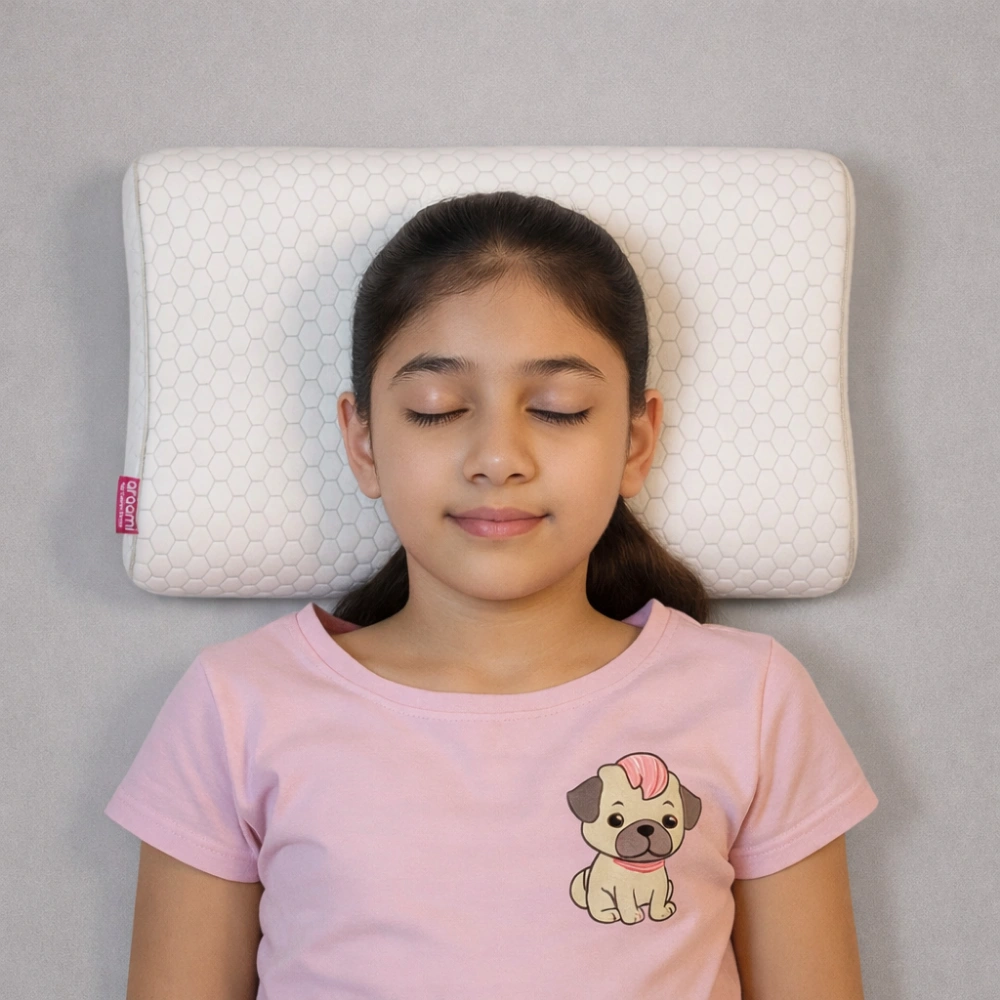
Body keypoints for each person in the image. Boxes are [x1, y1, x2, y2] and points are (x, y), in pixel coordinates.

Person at [105, 189, 878, 999]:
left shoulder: (752, 699)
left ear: (635, 441)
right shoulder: (236, 707)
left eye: (557, 410)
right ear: (362, 441)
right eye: (437, 410)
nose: (498, 457)